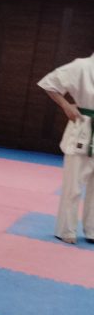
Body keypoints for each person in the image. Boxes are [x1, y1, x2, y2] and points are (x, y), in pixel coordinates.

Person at [37, 53, 94, 244]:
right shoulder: (82, 66)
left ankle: (92, 230)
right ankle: (66, 229)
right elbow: (49, 83)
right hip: (83, 128)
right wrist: (66, 106)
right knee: (73, 186)